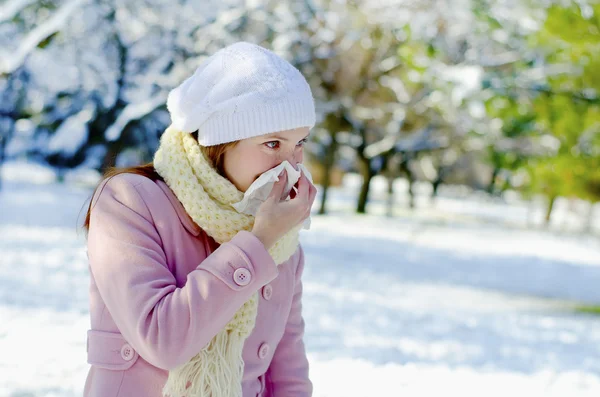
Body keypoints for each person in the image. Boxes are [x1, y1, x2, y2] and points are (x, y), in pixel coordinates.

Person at [82, 41, 317, 397]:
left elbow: (287, 375)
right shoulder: (128, 200)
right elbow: (163, 341)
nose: (291, 164)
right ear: (220, 142)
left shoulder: (283, 240)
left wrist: (268, 237)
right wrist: (257, 244)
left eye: (299, 143)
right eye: (273, 144)